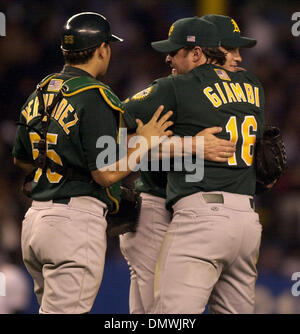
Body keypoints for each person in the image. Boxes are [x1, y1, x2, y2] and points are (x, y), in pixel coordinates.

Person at [12, 12, 173, 314]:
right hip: (73, 224)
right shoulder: (96, 96)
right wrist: (146, 143)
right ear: (101, 49)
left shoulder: (41, 91)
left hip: (35, 222)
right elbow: (105, 175)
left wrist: (60, 166)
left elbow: (22, 160)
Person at [120, 15, 264, 314]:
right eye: (232, 49)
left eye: (237, 51)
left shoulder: (180, 88)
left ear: (202, 51)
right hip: (160, 206)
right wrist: (193, 145)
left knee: (166, 315)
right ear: (214, 49)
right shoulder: (250, 85)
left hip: (197, 212)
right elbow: (111, 140)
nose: (237, 58)